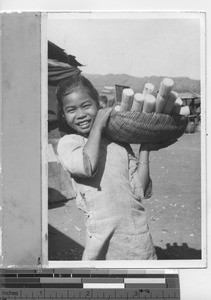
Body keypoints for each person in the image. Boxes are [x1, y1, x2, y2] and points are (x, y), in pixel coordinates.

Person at [56, 74, 157, 260]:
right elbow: (87, 166)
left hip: (137, 235)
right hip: (102, 239)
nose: (80, 114)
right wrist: (98, 126)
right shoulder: (69, 143)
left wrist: (145, 148)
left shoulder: (118, 143)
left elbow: (140, 189)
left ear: (99, 104)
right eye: (71, 110)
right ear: (63, 114)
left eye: (86, 106)